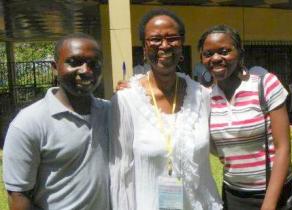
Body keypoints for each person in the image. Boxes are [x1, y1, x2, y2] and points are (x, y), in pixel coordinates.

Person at [109, 9, 222, 210]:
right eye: (155, 39)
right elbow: (120, 172)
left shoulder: (202, 96)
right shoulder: (127, 101)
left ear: (181, 44)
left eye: (172, 38)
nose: (164, 45)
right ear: (144, 47)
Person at [3, 33, 110, 210]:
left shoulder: (110, 112)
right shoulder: (29, 122)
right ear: (55, 67)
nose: (86, 70)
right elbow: (18, 196)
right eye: (74, 62)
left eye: (94, 63)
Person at [197, 24, 292, 210]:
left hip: (275, 194)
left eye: (224, 51)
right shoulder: (206, 97)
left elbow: (283, 148)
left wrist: (268, 205)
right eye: (208, 53)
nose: (216, 58)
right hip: (233, 195)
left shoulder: (265, 84)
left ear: (240, 53)